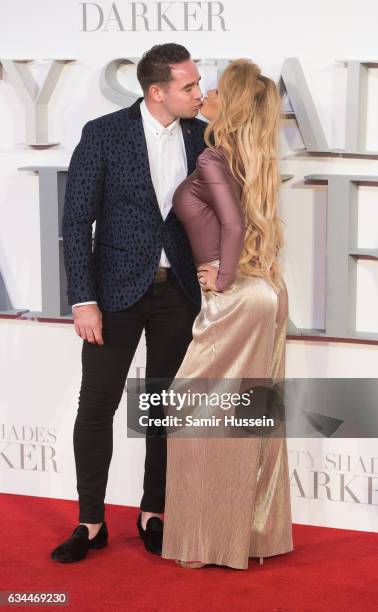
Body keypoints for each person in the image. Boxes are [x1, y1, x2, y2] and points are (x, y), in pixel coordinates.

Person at [51, 43, 207, 563]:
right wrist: (82, 300)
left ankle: (153, 513)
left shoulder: (201, 135)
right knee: (97, 405)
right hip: (112, 294)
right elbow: (76, 223)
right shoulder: (104, 134)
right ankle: (90, 523)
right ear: (157, 91)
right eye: (188, 86)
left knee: (162, 408)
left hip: (179, 292)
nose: (197, 93)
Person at [161, 59, 294, 570]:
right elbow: (240, 222)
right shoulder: (249, 159)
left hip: (236, 293)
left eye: (212, 90)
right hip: (264, 290)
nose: (204, 96)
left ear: (230, 104)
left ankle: (208, 542)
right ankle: (250, 535)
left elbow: (232, 227)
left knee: (192, 412)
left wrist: (218, 279)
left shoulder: (216, 156)